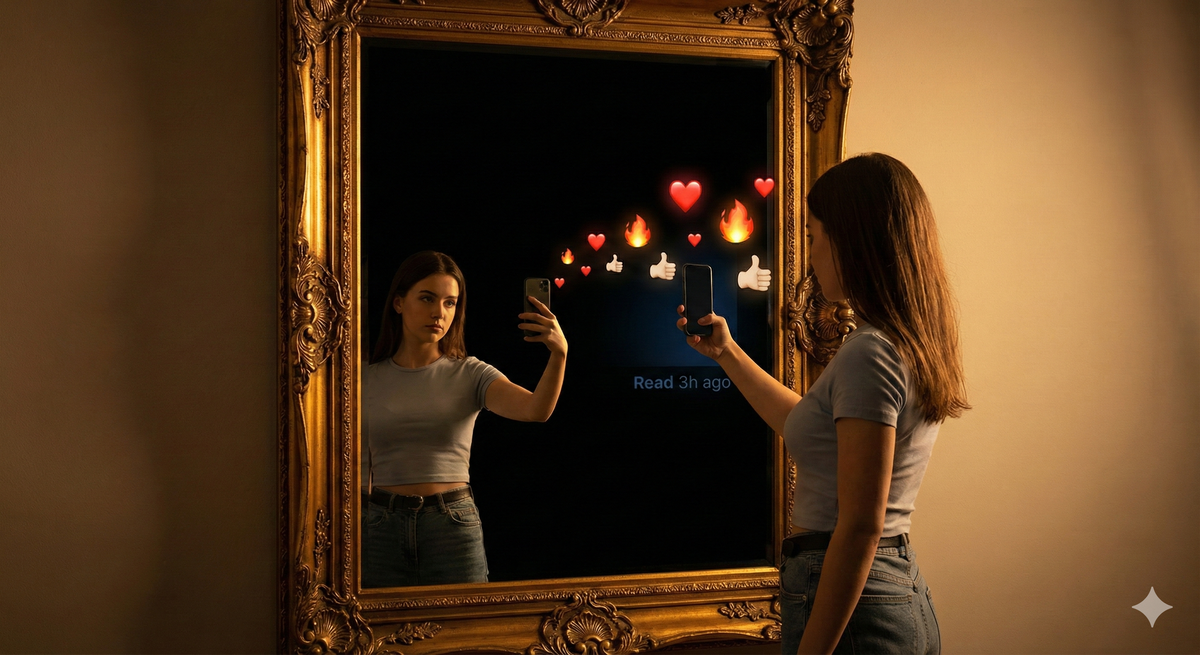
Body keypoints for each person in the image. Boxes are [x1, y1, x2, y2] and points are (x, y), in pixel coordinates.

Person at [677, 154, 968, 654]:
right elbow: (804, 425)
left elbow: (858, 525)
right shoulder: (900, 342)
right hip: (885, 585)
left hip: (853, 591)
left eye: (813, 236)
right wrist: (726, 351)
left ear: (850, 241)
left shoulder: (869, 353)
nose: (809, 254)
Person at [361, 251, 567, 587]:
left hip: (450, 525)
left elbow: (536, 410)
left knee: (464, 634)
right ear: (398, 303)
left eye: (449, 303)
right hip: (379, 525)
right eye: (427, 298)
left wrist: (560, 354)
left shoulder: (470, 372)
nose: (438, 313)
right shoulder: (362, 379)